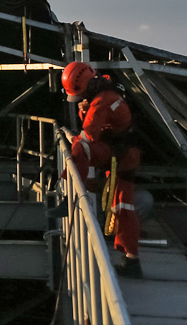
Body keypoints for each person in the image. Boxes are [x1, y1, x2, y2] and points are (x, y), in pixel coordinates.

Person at [61, 61, 142, 278]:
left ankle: (69, 191)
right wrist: (83, 112)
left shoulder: (103, 101)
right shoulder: (102, 93)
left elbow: (89, 135)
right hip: (119, 153)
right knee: (122, 206)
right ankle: (131, 260)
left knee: (80, 147)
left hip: (122, 156)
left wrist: (73, 136)